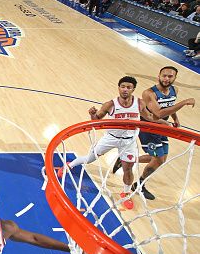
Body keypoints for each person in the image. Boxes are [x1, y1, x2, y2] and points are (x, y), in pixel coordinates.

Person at [58, 76, 159, 209]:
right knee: (89, 159)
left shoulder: (139, 103)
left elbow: (150, 117)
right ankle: (70, 165)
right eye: (122, 86)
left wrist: (164, 122)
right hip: (110, 138)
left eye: (128, 87)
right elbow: (96, 120)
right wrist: (92, 114)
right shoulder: (110, 104)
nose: (125, 89)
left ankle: (126, 193)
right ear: (118, 88)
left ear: (133, 89)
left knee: (128, 169)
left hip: (129, 142)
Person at [112, 67, 195, 200]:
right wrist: (184, 102)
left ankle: (126, 161)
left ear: (175, 78)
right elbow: (159, 113)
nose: (166, 79)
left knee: (161, 160)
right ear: (159, 76)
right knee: (157, 159)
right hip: (149, 129)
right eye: (164, 76)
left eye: (170, 76)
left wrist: (175, 119)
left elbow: (169, 106)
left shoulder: (174, 90)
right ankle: (139, 185)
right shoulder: (149, 93)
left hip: (162, 127)